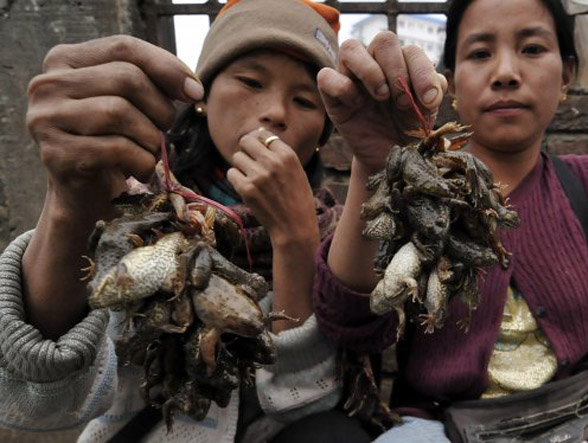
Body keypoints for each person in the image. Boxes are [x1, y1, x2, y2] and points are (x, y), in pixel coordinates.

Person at [0, 0, 410, 441]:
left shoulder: (338, 235)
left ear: (322, 136)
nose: (275, 111)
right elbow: (36, 404)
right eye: (251, 81)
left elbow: (306, 405)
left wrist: (294, 239)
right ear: (201, 97)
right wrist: (68, 204)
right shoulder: (133, 206)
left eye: (305, 100)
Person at [313, 0, 588, 441]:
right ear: (451, 84)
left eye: (532, 48)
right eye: (480, 53)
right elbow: (350, 323)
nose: (505, 72)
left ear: (566, 76)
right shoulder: (419, 186)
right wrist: (374, 168)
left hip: (584, 418)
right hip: (441, 426)